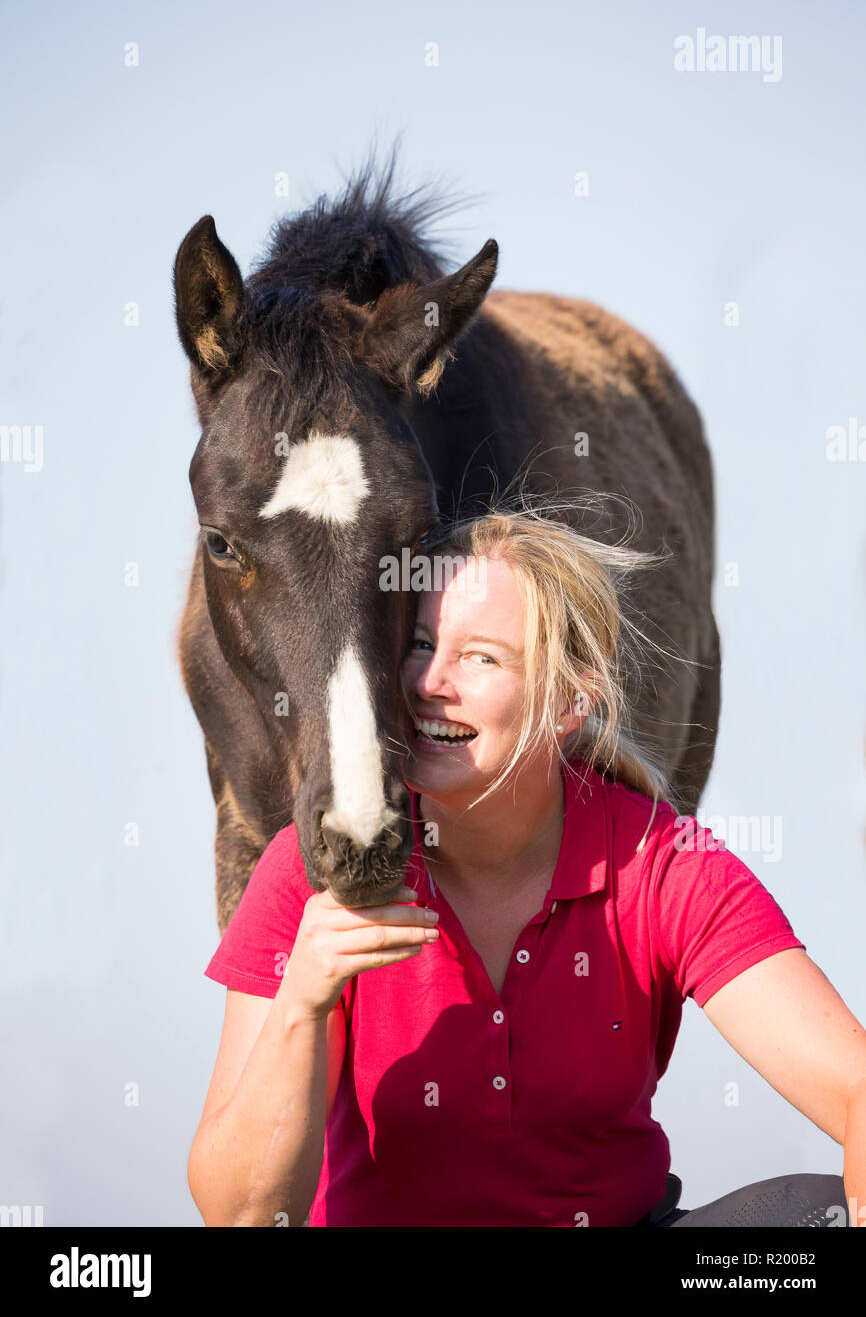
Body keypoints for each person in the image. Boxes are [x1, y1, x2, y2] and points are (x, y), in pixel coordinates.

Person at [188, 506, 865, 1227]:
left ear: (573, 698)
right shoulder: (316, 863)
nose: (428, 681)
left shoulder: (666, 864)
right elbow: (239, 1217)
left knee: (815, 1218)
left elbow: (857, 1091)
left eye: (480, 657)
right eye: (418, 644)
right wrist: (302, 1003)